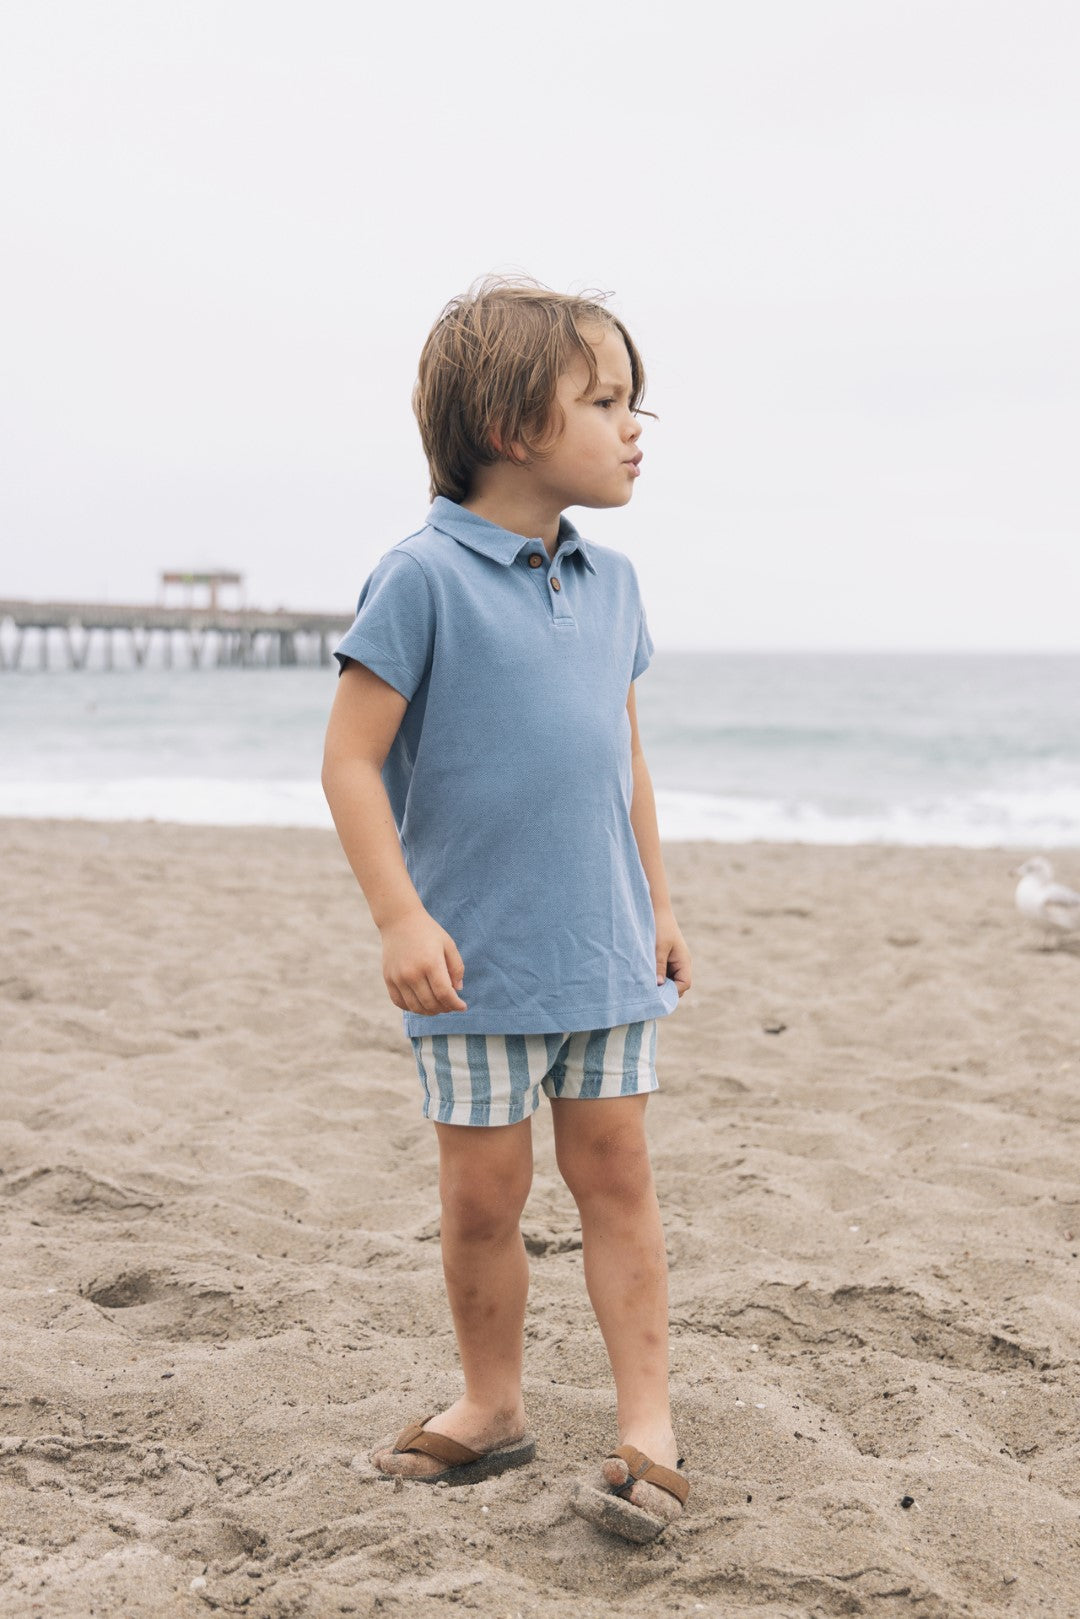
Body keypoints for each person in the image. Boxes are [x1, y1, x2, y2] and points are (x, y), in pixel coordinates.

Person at [322, 276, 693, 1543]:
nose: (634, 426)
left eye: (636, 403)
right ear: (510, 426)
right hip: (472, 963)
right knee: (484, 1195)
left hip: (604, 949)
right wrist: (398, 917)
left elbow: (622, 755)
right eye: (605, 401)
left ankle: (649, 1421)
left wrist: (658, 902)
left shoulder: (615, 582)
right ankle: (492, 1400)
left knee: (618, 1177)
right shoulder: (421, 576)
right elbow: (350, 759)